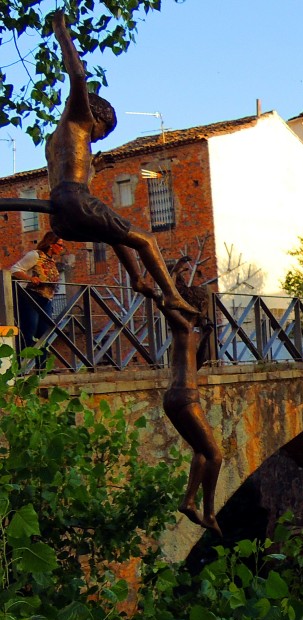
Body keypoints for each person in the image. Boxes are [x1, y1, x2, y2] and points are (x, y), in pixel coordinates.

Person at [46, 11, 194, 315]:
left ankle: (138, 280)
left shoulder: (53, 142)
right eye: (102, 133)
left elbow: (70, 179)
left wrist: (95, 168)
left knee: (113, 233)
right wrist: (61, 30)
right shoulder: (78, 118)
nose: (98, 140)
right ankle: (171, 295)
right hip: (75, 201)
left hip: (59, 215)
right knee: (147, 240)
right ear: (96, 116)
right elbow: (77, 76)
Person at [162, 258, 222, 535]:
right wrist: (171, 278)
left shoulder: (188, 334)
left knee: (201, 451)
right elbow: (168, 302)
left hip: (176, 398)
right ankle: (209, 512)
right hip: (185, 398)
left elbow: (194, 367)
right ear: (197, 308)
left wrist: (207, 338)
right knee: (215, 456)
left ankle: (189, 501)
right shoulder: (184, 328)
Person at [10, 232, 64, 347]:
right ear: (51, 244)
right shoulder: (35, 255)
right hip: (31, 298)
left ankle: (42, 364)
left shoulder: (52, 261)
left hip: (47, 300)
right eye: (60, 245)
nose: (62, 248)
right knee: (30, 331)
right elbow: (14, 269)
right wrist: (30, 278)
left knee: (45, 334)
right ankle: (25, 362)